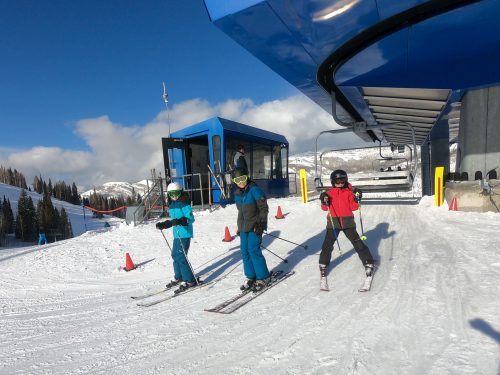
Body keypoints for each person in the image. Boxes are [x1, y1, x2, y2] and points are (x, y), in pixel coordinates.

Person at [318, 169, 374, 285]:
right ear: (333, 182)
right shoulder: (329, 194)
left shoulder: (349, 192)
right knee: (327, 244)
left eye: (342, 181)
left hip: (348, 223)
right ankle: (323, 264)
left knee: (357, 243)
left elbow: (354, 207)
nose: (340, 184)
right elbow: (324, 208)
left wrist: (356, 198)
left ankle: (368, 262)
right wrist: (324, 200)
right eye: (337, 181)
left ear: (346, 181)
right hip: (333, 223)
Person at [232, 167, 271, 292]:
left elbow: (264, 208)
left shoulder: (255, 190)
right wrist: (239, 227)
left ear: (247, 176)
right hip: (244, 228)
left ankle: (263, 276)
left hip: (255, 226)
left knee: (253, 250)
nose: (241, 182)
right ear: (234, 181)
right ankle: (251, 276)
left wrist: (260, 224)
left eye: (243, 178)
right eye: (237, 180)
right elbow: (241, 212)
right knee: (244, 251)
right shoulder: (237, 194)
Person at [156, 182, 196, 293]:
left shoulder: (184, 203)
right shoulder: (172, 204)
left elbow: (191, 219)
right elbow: (174, 220)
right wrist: (164, 224)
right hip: (177, 234)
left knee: (181, 256)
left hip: (185, 233)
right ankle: (179, 276)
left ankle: (189, 280)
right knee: (174, 255)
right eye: (171, 193)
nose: (174, 195)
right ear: (168, 194)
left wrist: (183, 220)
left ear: (181, 192)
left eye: (176, 193)